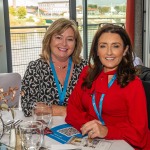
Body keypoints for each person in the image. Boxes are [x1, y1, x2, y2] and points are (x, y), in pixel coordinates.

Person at [65, 24, 150, 149]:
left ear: (125, 50)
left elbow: (139, 134)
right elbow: (72, 111)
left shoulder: (133, 84)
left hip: (127, 145)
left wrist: (106, 131)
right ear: (97, 50)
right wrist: (91, 125)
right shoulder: (86, 73)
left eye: (115, 46)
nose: (109, 52)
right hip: (96, 141)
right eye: (103, 46)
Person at [21, 18, 87, 117]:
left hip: (79, 127)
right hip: (46, 129)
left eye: (69, 39)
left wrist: (48, 108)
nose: (64, 44)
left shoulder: (85, 68)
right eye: (58, 37)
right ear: (49, 39)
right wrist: (62, 111)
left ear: (76, 43)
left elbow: (94, 105)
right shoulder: (35, 68)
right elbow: (27, 106)